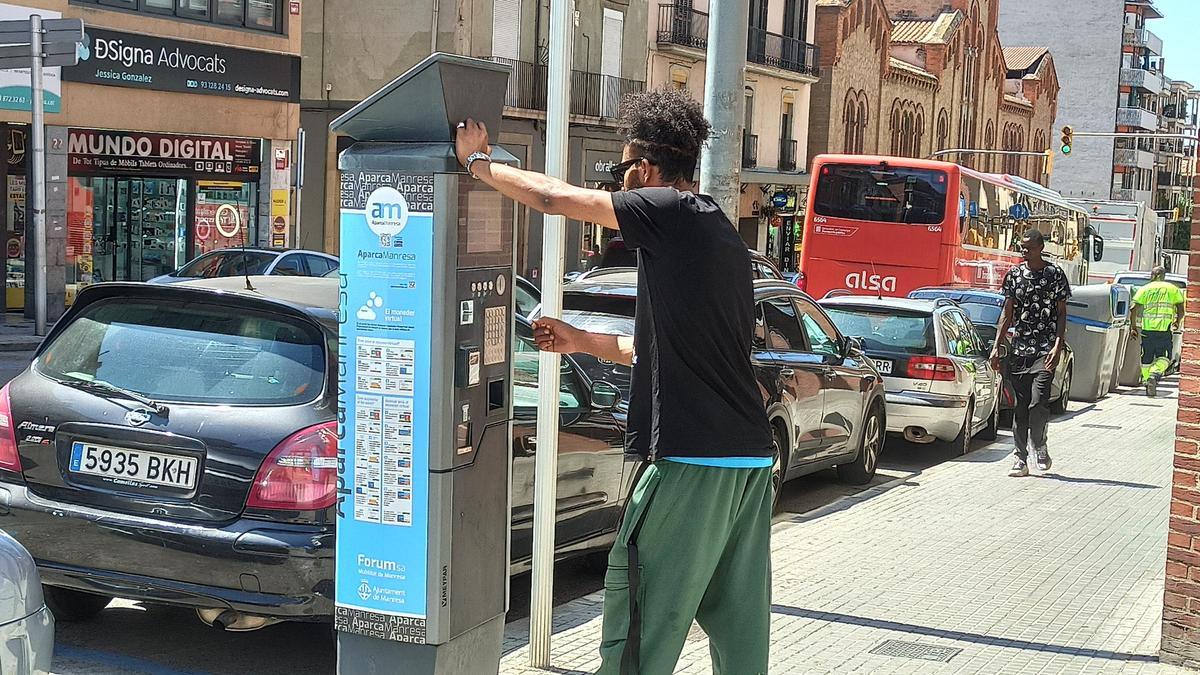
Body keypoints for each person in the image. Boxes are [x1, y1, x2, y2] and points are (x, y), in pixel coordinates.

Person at [455, 88, 774, 674]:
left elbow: (553, 199)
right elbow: (651, 351)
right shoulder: (718, 236)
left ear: (646, 171)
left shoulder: (670, 213)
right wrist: (578, 341)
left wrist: (478, 162)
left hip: (691, 461)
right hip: (747, 462)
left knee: (641, 614)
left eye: (621, 172)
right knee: (737, 621)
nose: (616, 186)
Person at [989, 229, 1071, 478]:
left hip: (1045, 350)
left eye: (1029, 247)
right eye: (1022, 247)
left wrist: (1058, 345)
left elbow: (1061, 313)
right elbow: (1007, 313)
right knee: (1021, 407)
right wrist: (997, 345)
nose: (1024, 252)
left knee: (1038, 403)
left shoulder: (1054, 274)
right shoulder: (1014, 275)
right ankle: (1019, 458)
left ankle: (1040, 443)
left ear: (1041, 247)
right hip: (1020, 349)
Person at [1131, 266, 1185, 397]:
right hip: (1164, 331)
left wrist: (1133, 327)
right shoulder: (1173, 289)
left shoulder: (1144, 289)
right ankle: (1154, 375)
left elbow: (1133, 309)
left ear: (1152, 275)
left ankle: (1146, 380)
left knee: (1146, 358)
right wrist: (1177, 321)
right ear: (1163, 276)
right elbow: (1181, 309)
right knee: (1166, 358)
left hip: (1147, 331)